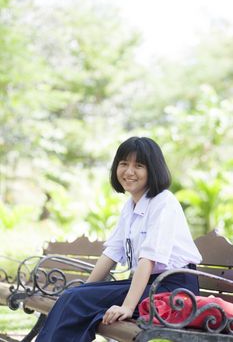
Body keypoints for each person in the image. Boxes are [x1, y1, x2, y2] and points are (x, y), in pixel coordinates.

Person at [36, 136, 202, 342]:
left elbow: (148, 259)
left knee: (77, 300)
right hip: (149, 285)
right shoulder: (130, 206)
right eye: (124, 164)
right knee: (73, 297)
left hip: (173, 291)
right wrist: (86, 289)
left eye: (138, 165)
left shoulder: (163, 203)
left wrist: (127, 307)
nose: (129, 171)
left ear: (153, 170)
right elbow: (112, 252)